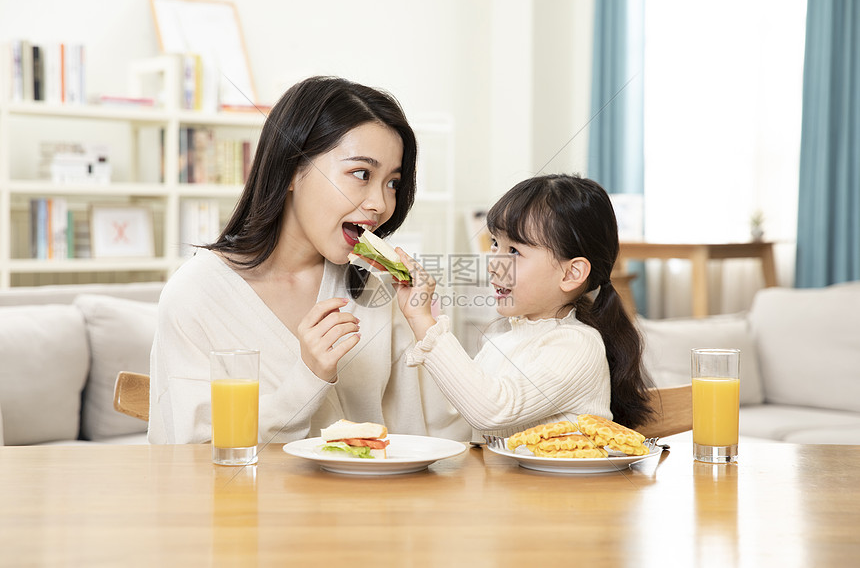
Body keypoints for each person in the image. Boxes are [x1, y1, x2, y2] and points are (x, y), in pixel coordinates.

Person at [148, 76, 469, 444]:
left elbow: (440, 437)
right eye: (361, 174)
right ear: (290, 170)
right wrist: (309, 377)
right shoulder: (195, 296)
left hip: (378, 502)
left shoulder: (378, 294)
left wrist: (426, 326)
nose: (381, 204)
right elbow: (190, 453)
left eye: (392, 183)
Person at [393, 174, 654, 437]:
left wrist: (425, 322)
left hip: (556, 480)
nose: (494, 264)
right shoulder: (503, 341)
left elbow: (492, 410)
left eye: (514, 251)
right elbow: (460, 417)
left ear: (571, 274)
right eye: (495, 244)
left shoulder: (577, 344)